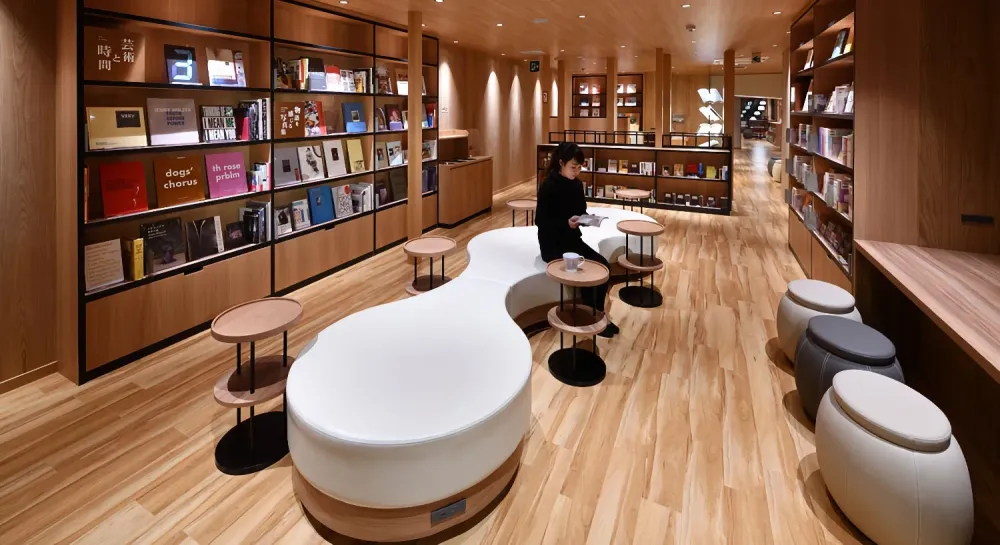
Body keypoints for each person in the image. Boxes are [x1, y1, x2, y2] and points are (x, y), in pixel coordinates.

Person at [536, 143, 620, 337]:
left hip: (572, 240)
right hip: (552, 245)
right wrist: (567, 223)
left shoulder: (576, 185)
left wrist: (585, 219)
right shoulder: (548, 186)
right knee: (587, 273)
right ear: (561, 163)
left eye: (579, 167)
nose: (577, 171)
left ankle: (597, 315)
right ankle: (593, 318)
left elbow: (580, 211)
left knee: (603, 266)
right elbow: (541, 221)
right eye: (573, 167)